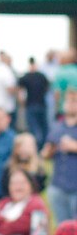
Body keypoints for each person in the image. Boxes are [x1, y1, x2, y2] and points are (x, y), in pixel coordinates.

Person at [42, 88, 77, 224]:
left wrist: (73, 146)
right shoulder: (57, 127)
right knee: (62, 228)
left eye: (74, 101)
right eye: (68, 101)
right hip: (58, 186)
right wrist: (50, 150)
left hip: (75, 187)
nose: (70, 104)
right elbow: (46, 153)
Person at [18, 57, 50, 150]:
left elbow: (19, 89)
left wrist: (21, 100)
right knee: (44, 129)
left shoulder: (26, 76)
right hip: (41, 104)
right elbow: (47, 87)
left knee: (34, 129)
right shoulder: (42, 76)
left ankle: (37, 148)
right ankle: (42, 148)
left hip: (31, 105)